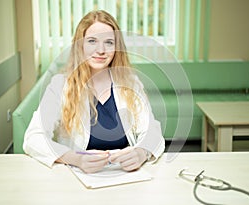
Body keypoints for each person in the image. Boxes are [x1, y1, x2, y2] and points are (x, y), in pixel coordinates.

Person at [23, 10, 165, 174]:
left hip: (126, 175)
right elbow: (34, 137)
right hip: (78, 176)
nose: (101, 50)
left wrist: (141, 153)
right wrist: (76, 159)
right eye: (92, 41)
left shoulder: (131, 83)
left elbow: (152, 131)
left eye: (109, 42)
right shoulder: (60, 85)